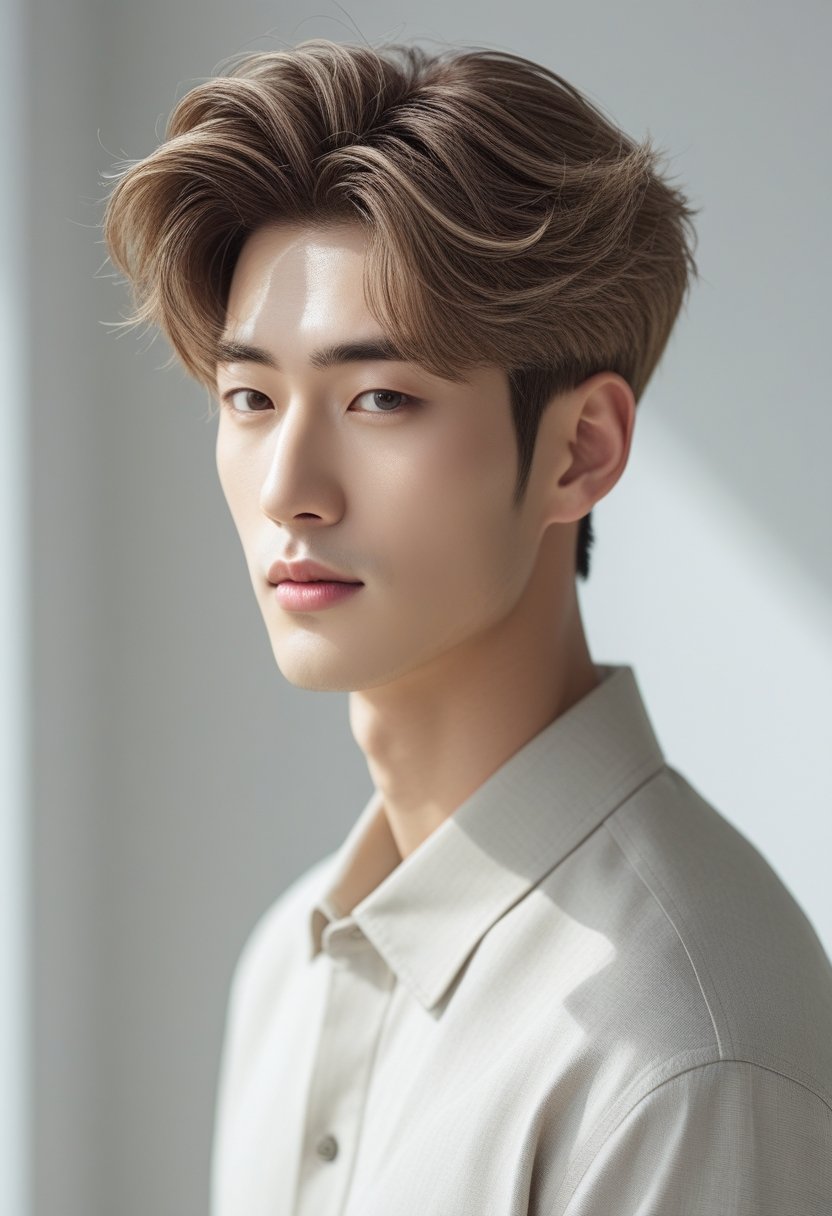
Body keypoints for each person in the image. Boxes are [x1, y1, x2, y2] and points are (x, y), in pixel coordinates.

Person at [101, 37, 832, 1216]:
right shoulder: (285, 962)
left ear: (580, 450)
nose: (292, 482)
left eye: (380, 397)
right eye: (250, 398)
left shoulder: (686, 1048)